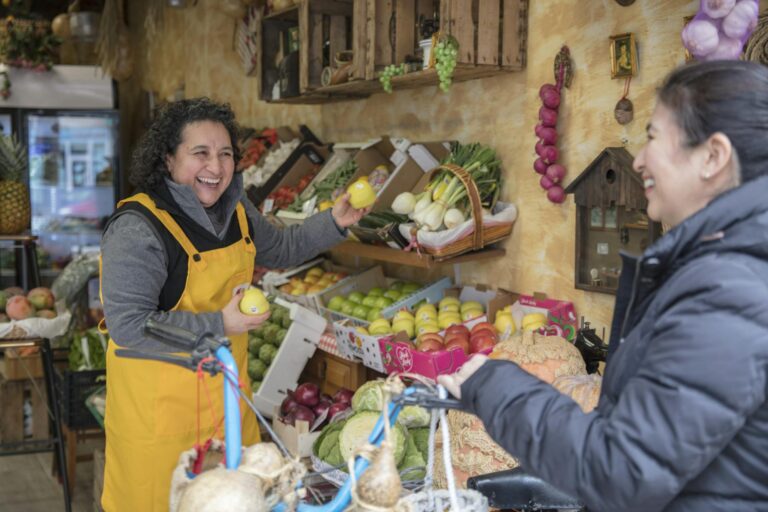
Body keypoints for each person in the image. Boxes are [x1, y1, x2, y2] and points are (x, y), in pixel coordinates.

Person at [439, 60, 768, 511]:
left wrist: (495, 386)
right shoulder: (727, 268)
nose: (638, 159)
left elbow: (624, 470)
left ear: (713, 156)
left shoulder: (730, 288)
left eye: (653, 137)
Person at [99, 98, 367, 511]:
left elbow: (281, 246)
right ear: (168, 159)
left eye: (225, 154)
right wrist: (219, 324)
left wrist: (335, 221)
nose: (216, 166)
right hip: (160, 421)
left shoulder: (235, 210)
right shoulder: (138, 228)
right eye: (200, 153)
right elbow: (130, 326)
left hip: (227, 406)